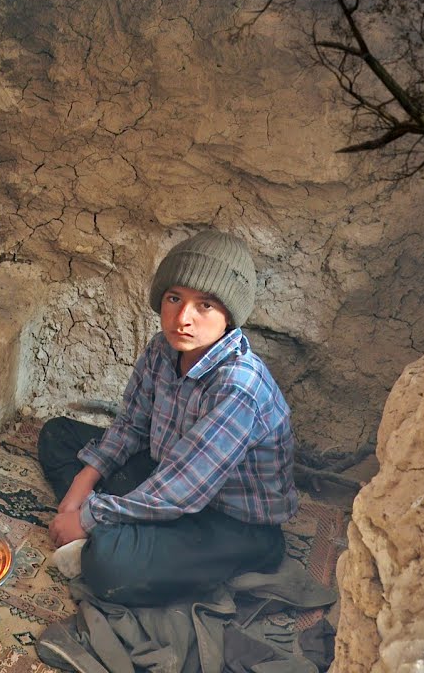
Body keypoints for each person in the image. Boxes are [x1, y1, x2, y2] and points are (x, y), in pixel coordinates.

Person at [37, 229, 297, 607]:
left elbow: (180, 492)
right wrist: (80, 487)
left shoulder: (239, 387)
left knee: (110, 568)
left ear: (229, 316)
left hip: (229, 522)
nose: (182, 318)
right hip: (167, 473)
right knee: (57, 435)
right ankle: (116, 530)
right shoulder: (163, 349)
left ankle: (110, 541)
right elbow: (131, 425)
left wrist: (86, 517)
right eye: (174, 298)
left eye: (204, 305)